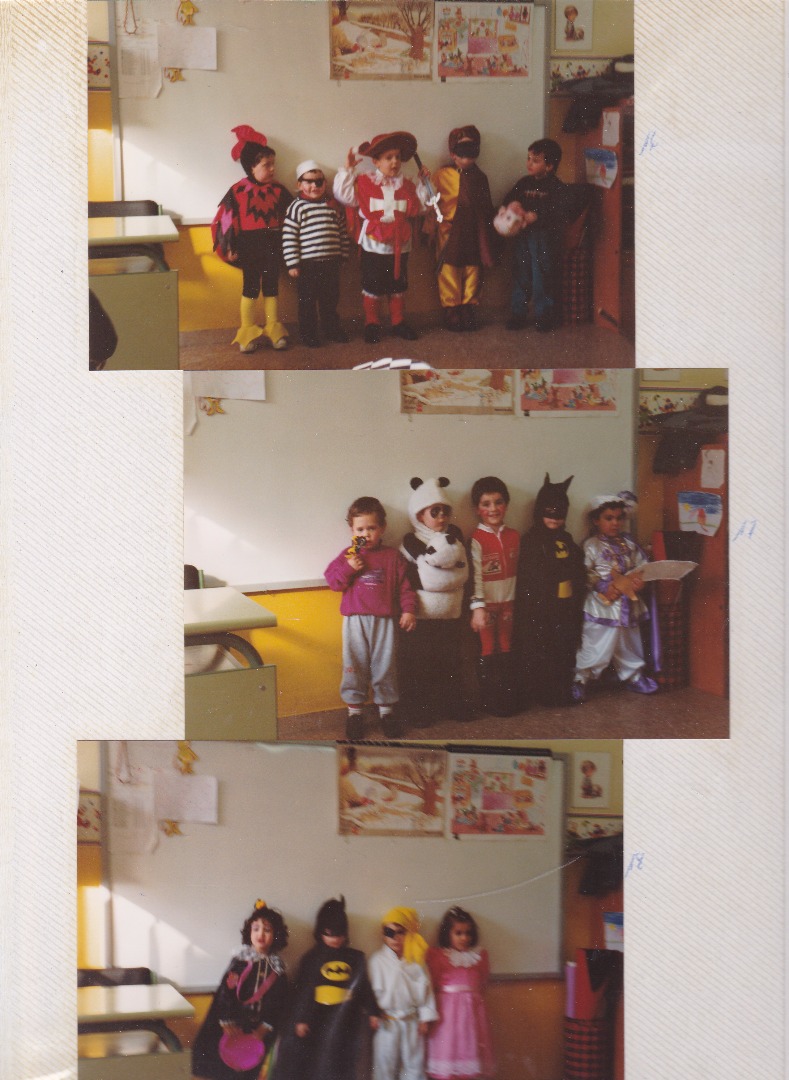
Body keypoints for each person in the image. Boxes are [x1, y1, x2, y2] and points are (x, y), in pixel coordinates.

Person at [325, 496, 417, 739]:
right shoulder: (348, 555)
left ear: (382, 528)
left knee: (385, 665)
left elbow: (405, 587)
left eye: (371, 528)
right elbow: (332, 581)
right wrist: (349, 568)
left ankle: (386, 712)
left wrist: (408, 610)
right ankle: (355, 713)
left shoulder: (392, 556)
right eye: (360, 529)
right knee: (353, 666)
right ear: (352, 531)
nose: (366, 534)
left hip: (384, 621)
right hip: (355, 621)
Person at [333, 131, 430, 343]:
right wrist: (348, 169)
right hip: (373, 245)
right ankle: (372, 323)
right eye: (388, 157)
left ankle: (398, 322)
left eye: (397, 157)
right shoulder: (364, 183)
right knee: (372, 284)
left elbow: (423, 207)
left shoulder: (408, 185)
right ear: (376, 161)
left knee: (398, 285)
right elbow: (343, 196)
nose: (394, 162)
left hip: (400, 245)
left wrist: (424, 183)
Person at [272, 897, 381, 1080]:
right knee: (317, 1063)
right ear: (320, 932)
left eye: (339, 935)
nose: (335, 940)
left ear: (345, 934)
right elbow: (303, 992)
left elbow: (364, 988)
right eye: (329, 934)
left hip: (346, 1021)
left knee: (343, 1063)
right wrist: (301, 1019)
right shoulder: (312, 958)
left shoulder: (354, 958)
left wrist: (373, 1012)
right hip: (318, 1020)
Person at [212, 125, 293, 352]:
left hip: (273, 245)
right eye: (266, 165)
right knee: (250, 288)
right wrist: (229, 245)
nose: (273, 169)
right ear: (251, 167)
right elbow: (226, 219)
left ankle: (274, 329)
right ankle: (247, 332)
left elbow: (293, 214)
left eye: (273, 164)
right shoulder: (237, 191)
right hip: (249, 247)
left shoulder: (279, 191)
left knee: (271, 288)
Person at [572, 493, 659, 702]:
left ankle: (633, 675)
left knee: (628, 642)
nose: (615, 523)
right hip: (602, 604)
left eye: (619, 518)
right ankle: (581, 678)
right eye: (609, 518)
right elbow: (585, 572)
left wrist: (639, 581)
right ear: (596, 520)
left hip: (628, 602)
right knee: (596, 642)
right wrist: (602, 585)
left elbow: (642, 566)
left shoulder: (629, 544)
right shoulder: (591, 545)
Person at [192, 900, 289, 1080]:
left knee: (249, 1068)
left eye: (267, 930)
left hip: (257, 1030)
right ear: (249, 932)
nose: (260, 934)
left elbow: (278, 1001)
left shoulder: (277, 968)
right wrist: (226, 1018)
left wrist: (265, 1026)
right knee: (225, 1064)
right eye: (256, 928)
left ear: (276, 935)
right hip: (233, 1026)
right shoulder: (240, 961)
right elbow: (226, 991)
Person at [399, 477, 469, 727]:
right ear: (419, 514)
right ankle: (420, 710)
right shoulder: (410, 543)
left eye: (445, 511)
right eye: (434, 511)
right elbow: (409, 580)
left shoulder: (455, 538)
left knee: (451, 662)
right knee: (421, 665)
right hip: (422, 616)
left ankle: (452, 705)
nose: (441, 517)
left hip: (451, 614)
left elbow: (463, 572)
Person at [512, 473, 585, 707]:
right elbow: (529, 577)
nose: (554, 517)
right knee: (540, 649)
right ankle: (539, 691)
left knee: (562, 649)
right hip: (541, 609)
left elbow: (577, 569)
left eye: (559, 512)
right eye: (549, 511)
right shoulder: (532, 540)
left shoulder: (567, 539)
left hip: (565, 608)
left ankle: (559, 690)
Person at [427, 126, 497, 332]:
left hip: (474, 231)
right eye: (462, 151)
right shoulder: (442, 175)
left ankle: (468, 307)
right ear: (453, 153)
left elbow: (486, 206)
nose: (466, 157)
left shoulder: (480, 177)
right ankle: (452, 309)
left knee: (473, 269)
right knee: (449, 269)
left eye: (471, 151)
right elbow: (430, 202)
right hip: (450, 231)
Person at [501, 139, 567, 333]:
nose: (529, 163)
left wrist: (537, 216)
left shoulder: (555, 187)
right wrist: (511, 206)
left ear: (549, 166)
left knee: (541, 275)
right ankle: (518, 313)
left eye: (535, 160)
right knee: (521, 273)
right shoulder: (524, 183)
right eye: (528, 158)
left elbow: (559, 212)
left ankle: (544, 315)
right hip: (522, 235)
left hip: (543, 237)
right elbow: (509, 199)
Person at [282, 160, 350, 348]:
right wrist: (292, 263)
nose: (314, 186)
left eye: (319, 182)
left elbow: (342, 231)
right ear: (299, 184)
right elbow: (289, 236)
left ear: (325, 183)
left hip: (331, 262)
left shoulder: (332, 205)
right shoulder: (297, 207)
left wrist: (344, 254)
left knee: (330, 300)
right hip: (307, 265)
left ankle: (332, 329)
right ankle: (308, 334)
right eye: (309, 182)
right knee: (307, 302)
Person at [468, 477, 520, 716]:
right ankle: (488, 699)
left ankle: (506, 698)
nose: (493, 509)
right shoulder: (477, 539)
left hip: (509, 603)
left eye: (498, 502)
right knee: (488, 648)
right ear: (477, 509)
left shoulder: (514, 536)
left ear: (506, 504)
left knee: (507, 646)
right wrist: (478, 607)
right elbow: (476, 576)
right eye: (486, 504)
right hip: (486, 607)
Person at [368, 906, 438, 1080]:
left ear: (409, 933)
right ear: (383, 934)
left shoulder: (417, 961)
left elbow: (427, 990)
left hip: (412, 1021)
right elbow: (368, 991)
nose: (395, 938)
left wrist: (425, 1017)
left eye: (401, 932)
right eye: (389, 933)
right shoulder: (377, 961)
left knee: (414, 1063)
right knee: (384, 1063)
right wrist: (372, 1013)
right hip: (387, 1021)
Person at [425, 907, 494, 1080]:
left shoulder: (479, 956)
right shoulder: (438, 956)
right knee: (448, 1049)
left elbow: (483, 981)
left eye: (468, 933)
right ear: (447, 933)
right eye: (458, 933)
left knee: (470, 1048)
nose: (464, 938)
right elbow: (432, 983)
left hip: (472, 1014)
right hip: (447, 1015)